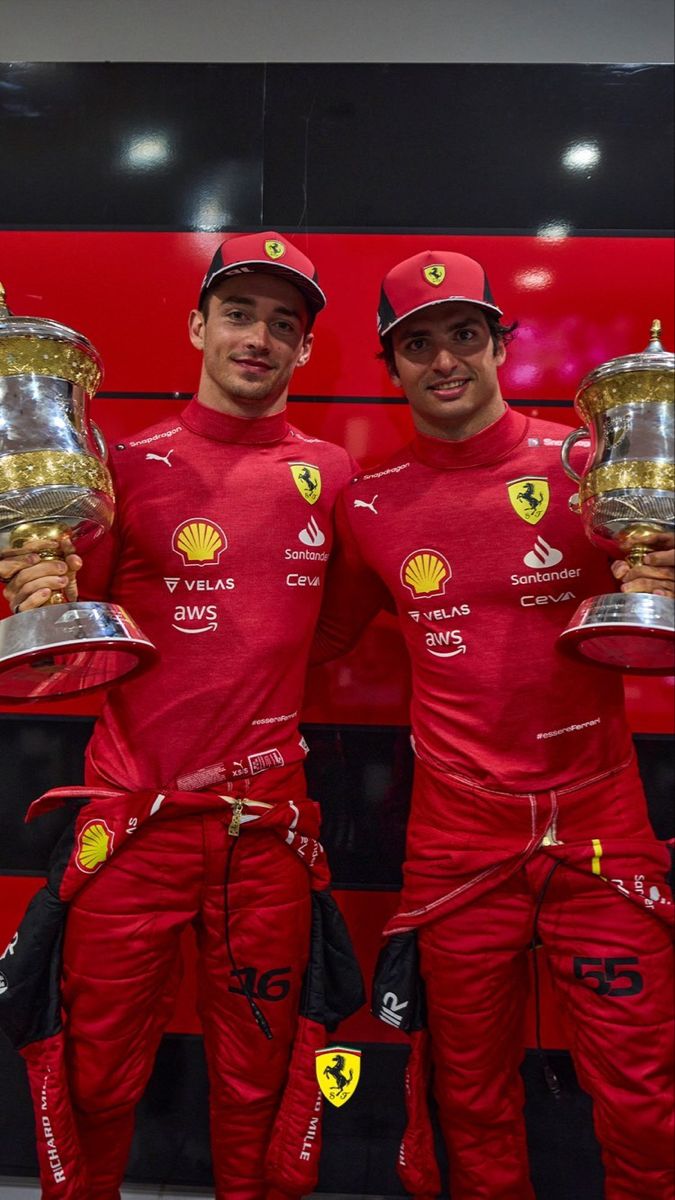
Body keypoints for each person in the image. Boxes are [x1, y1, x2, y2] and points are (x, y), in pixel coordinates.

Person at [0, 232, 363, 1200]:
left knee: (262, 1081)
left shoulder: (331, 472)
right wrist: (30, 579)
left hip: (267, 834)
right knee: (95, 1074)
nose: (259, 337)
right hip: (135, 828)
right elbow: (72, 641)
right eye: (239, 313)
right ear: (198, 323)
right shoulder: (120, 466)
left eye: (284, 324)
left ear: (305, 351)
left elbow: (325, 632)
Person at [313, 249, 675, 1200]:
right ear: (389, 366)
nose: (444, 362)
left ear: (500, 344)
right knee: (465, 1093)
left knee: (640, 1090)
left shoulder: (596, 467)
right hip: (456, 839)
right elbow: (302, 635)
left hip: (599, 826)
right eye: (417, 344)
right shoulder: (369, 505)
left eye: (464, 337)